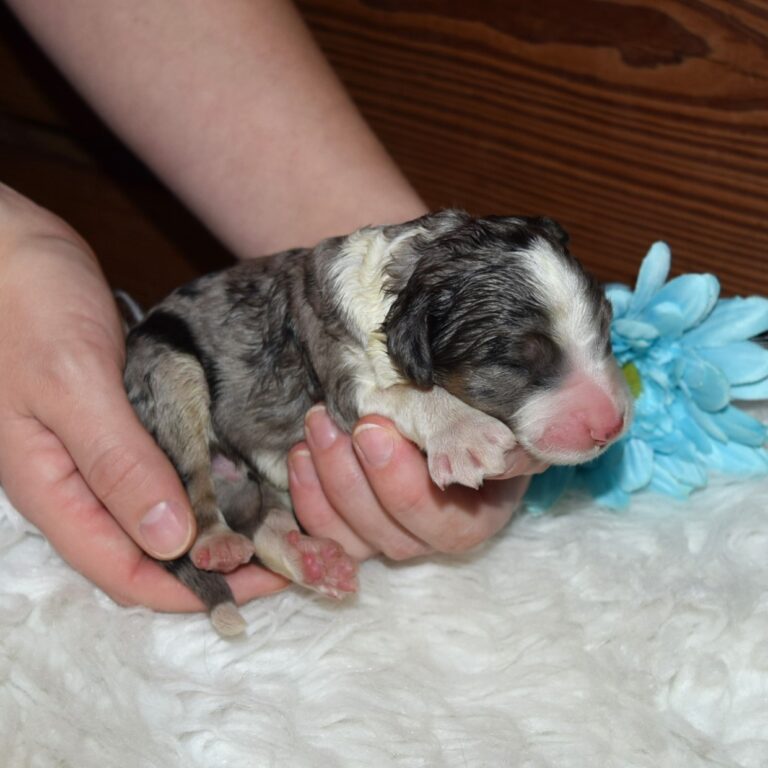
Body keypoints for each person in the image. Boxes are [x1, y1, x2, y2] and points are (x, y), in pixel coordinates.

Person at [0, 0, 539, 612]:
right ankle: (232, 521)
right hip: (204, 363)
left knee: (303, 464)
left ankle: (270, 530)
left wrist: (379, 249)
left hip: (267, 391)